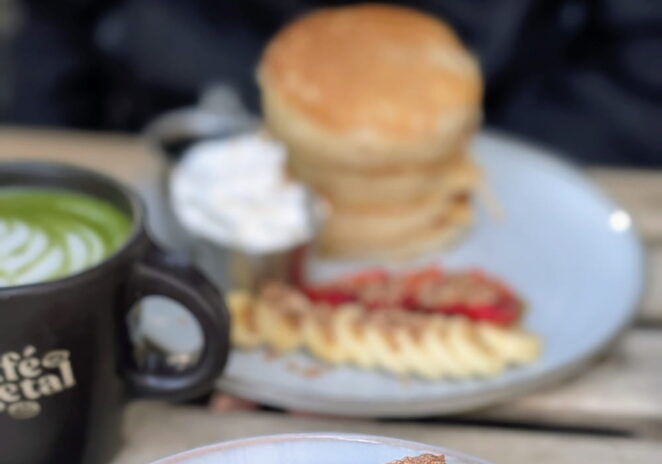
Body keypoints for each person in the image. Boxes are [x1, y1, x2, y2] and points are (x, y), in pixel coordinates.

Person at [4, 0, 662, 165]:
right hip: (165, 139)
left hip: (487, 151)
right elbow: (55, 33)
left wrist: (436, 159)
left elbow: (639, 69)